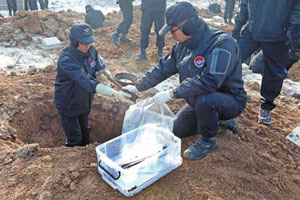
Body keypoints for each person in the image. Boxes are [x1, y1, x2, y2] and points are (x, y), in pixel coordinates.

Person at [123, 2, 247, 160]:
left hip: (229, 100)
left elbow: (210, 81)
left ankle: (208, 141)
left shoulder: (222, 44)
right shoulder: (181, 46)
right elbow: (163, 68)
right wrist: (139, 86)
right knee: (176, 131)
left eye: (173, 30)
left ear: (188, 26)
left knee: (206, 99)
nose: (171, 36)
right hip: (197, 101)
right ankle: (215, 119)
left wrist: (172, 93)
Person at [55, 23, 133, 147]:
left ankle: (86, 149)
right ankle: (73, 158)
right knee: (75, 136)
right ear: (74, 41)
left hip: (85, 100)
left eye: (90, 42)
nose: (88, 45)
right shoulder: (67, 59)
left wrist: (103, 73)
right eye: (84, 42)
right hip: (68, 103)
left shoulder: (91, 50)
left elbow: (98, 66)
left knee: (85, 130)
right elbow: (84, 79)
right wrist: (113, 93)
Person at [232, 0, 300, 125]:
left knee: (274, 72)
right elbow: (244, 2)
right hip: (252, 28)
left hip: (279, 33)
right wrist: (239, 22)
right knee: (231, 60)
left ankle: (266, 108)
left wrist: (294, 28)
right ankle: (226, 94)